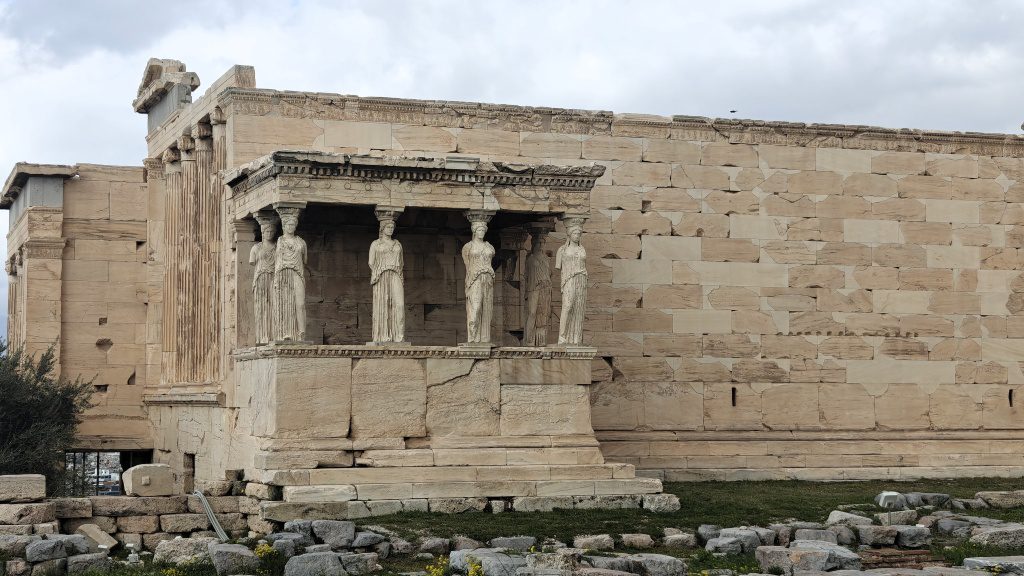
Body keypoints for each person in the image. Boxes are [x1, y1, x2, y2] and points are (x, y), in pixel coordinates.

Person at [273, 209, 307, 341]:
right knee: (285, 303)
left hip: (297, 273)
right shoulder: (280, 241)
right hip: (282, 274)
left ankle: (301, 332)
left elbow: (305, 260)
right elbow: (277, 261)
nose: (291, 227)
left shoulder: (301, 242)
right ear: (284, 226)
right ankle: (285, 333)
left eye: (293, 225)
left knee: (300, 303)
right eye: (288, 225)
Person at [369, 218, 405, 343]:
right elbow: (371, 262)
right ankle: (384, 336)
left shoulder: (398, 244)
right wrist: (379, 271)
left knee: (399, 305)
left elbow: (401, 262)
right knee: (383, 303)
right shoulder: (376, 244)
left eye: (392, 227)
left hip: (396, 274)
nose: (391, 229)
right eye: (388, 227)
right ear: (382, 228)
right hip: (381, 275)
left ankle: (399, 337)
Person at [462, 220, 495, 343]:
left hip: (488, 279)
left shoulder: (489, 246)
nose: (481, 232)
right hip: (474, 279)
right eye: (479, 230)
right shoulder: (468, 247)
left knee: (487, 309)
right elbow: (467, 265)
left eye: (483, 230)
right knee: (475, 309)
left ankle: (484, 339)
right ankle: (473, 338)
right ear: (474, 231)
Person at [556, 221, 587, 345]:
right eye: (575, 233)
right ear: (569, 234)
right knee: (567, 306)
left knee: (579, 308)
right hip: (569, 279)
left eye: (579, 233)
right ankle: (562, 336)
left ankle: (575, 337)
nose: (577, 235)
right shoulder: (562, 250)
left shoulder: (582, 249)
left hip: (582, 279)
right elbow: (559, 266)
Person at [248, 214, 277, 344]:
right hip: (260, 279)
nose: (269, 233)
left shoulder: (278, 247)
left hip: (274, 278)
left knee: (274, 306)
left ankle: (274, 335)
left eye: (271, 231)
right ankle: (262, 336)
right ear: (262, 232)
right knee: (262, 308)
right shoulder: (256, 248)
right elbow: (252, 262)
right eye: (266, 231)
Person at [524, 234, 551, 346]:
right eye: (538, 243)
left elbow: (549, 273)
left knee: (544, 314)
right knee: (532, 312)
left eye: (542, 243)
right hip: (533, 289)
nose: (540, 245)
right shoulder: (530, 258)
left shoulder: (546, 259)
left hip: (545, 288)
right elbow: (525, 276)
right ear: (533, 243)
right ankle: (529, 339)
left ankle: (541, 339)